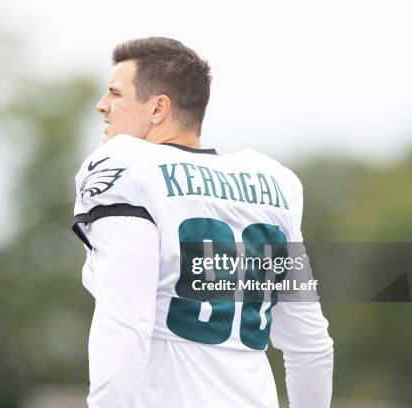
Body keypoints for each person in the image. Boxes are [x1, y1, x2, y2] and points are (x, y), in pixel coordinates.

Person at [72, 37, 333, 408]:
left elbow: (124, 326)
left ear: (158, 108)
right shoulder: (273, 184)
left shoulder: (129, 166)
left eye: (115, 93)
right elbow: (310, 344)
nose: (103, 106)